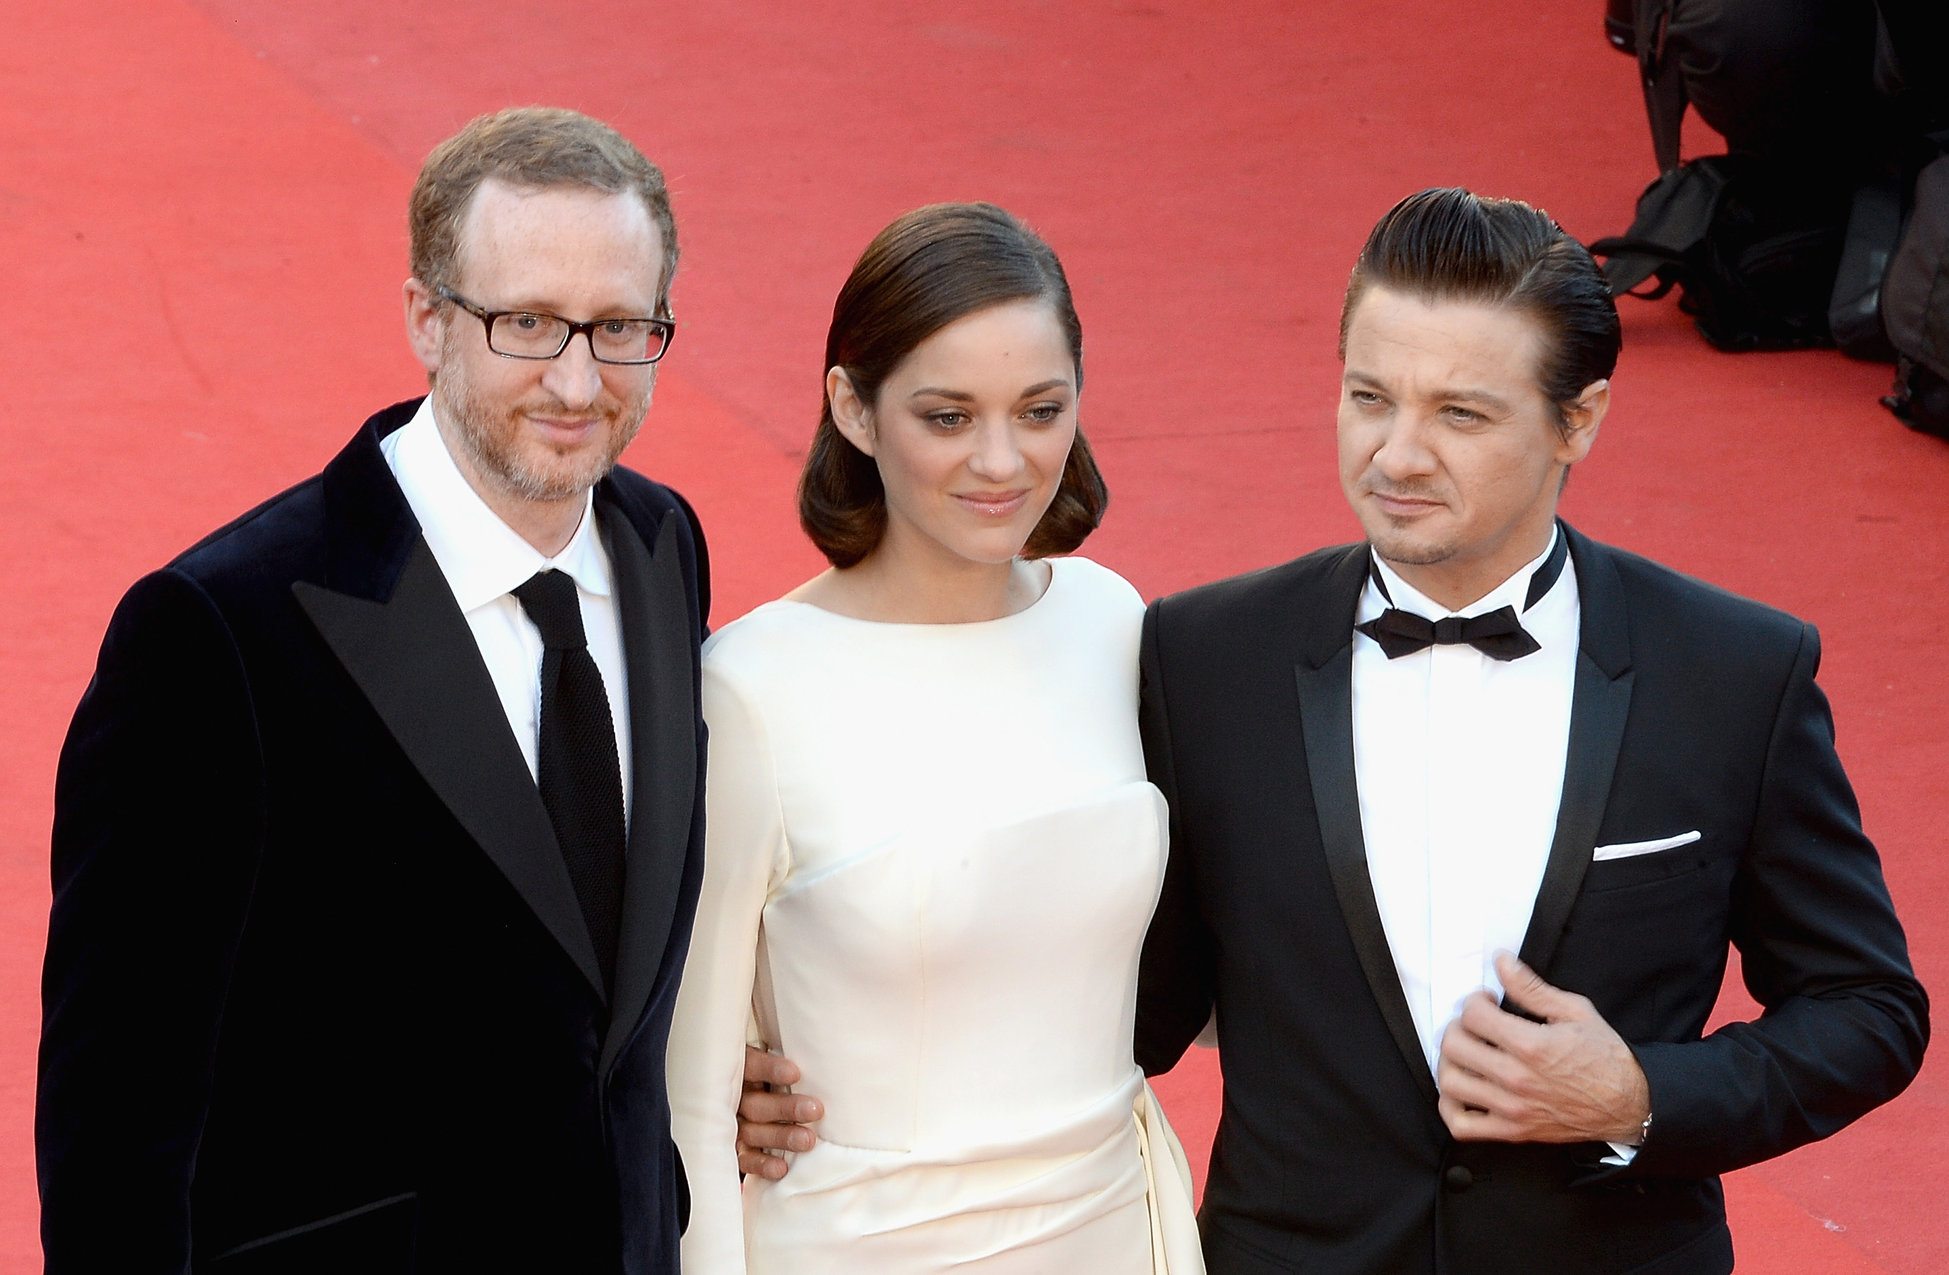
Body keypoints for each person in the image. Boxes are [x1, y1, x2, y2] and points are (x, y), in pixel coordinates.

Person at [737, 188, 1929, 1274]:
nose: (1394, 456)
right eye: (1369, 396)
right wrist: (773, 1064)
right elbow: (1107, 976)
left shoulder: (1729, 670)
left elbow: (1867, 1009)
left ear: (1579, 421)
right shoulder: (1203, 658)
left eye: (1459, 413)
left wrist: (1637, 1094)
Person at [38, 107, 708, 1273]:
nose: (575, 380)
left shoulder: (661, 549)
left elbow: (590, 982)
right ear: (426, 321)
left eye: (617, 328)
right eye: (527, 323)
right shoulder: (217, 632)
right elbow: (115, 1118)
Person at [665, 202, 1202, 1274]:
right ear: (853, 411)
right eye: (946, 417)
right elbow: (692, 1095)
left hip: (1117, 1233)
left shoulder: (1109, 622)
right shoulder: (753, 690)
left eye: (1039, 410)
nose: (1000, 462)